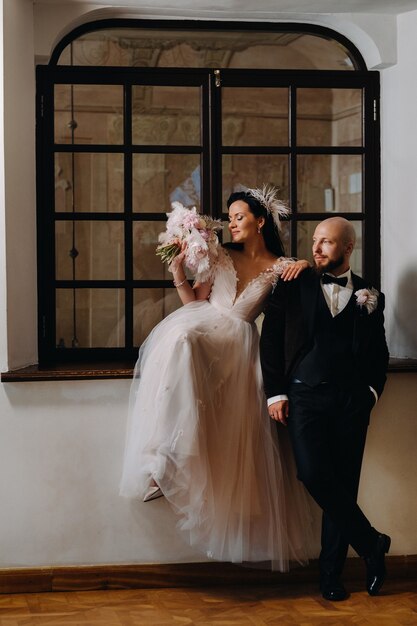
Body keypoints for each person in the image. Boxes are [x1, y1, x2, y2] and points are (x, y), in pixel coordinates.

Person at [119, 186, 315, 571]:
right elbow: (196, 302)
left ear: (260, 222)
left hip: (240, 347)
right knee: (181, 338)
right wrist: (178, 272)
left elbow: (309, 276)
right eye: (229, 218)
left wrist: (307, 264)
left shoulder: (279, 266)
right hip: (205, 328)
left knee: (230, 434)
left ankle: (179, 462)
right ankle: (165, 459)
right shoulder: (220, 254)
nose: (231, 224)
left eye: (238, 217)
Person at [260, 216, 390, 599]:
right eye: (314, 240)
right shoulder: (294, 282)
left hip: (352, 402)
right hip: (304, 397)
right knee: (314, 474)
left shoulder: (370, 294)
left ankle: (331, 578)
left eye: (327, 242)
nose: (316, 248)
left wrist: (371, 394)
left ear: (348, 248)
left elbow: (378, 354)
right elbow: (271, 341)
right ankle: (372, 544)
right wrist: (276, 393)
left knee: (343, 487)